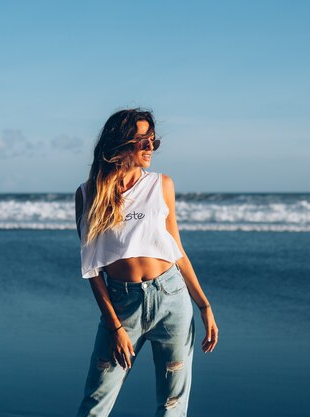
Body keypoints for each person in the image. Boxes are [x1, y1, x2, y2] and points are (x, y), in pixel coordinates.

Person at [74, 108, 218, 416]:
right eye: (142, 141)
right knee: (95, 403)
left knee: (172, 406)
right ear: (121, 143)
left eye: (153, 140)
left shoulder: (161, 184)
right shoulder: (89, 194)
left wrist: (204, 305)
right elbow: (92, 270)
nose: (150, 147)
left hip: (171, 299)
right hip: (122, 305)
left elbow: (176, 249)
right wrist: (114, 327)